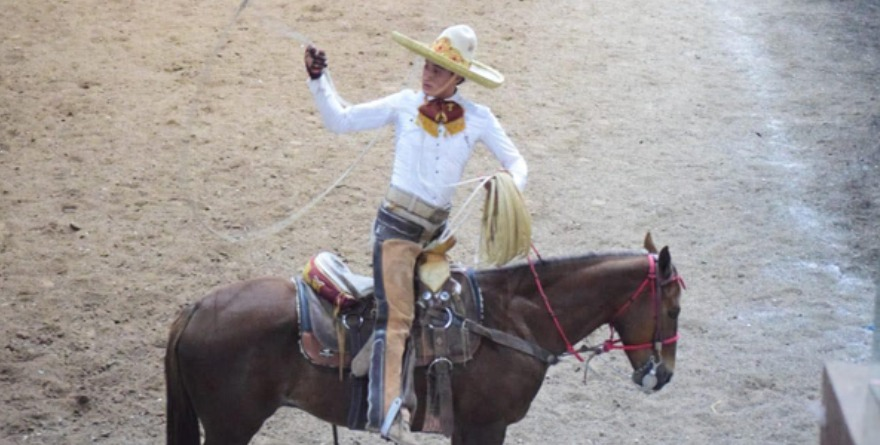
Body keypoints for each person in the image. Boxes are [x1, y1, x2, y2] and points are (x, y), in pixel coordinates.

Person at [304, 24, 527, 443]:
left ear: (458, 77)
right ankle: (389, 412)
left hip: (435, 239)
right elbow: (341, 120)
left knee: (449, 310)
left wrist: (505, 184)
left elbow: (518, 164)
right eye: (427, 66)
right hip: (395, 230)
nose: (427, 74)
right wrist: (319, 79)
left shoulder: (479, 119)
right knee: (398, 316)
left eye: (438, 70)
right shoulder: (404, 104)